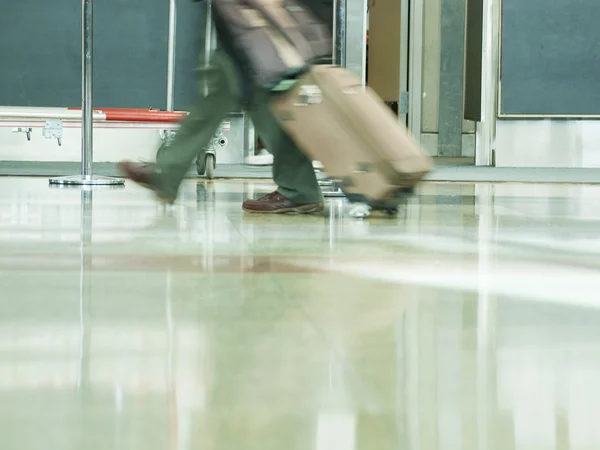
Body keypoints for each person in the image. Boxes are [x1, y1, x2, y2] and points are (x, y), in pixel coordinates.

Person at [118, 0, 332, 214]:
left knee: (228, 91)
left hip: (253, 27)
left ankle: (168, 173)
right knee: (260, 101)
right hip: (251, 28)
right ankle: (299, 190)